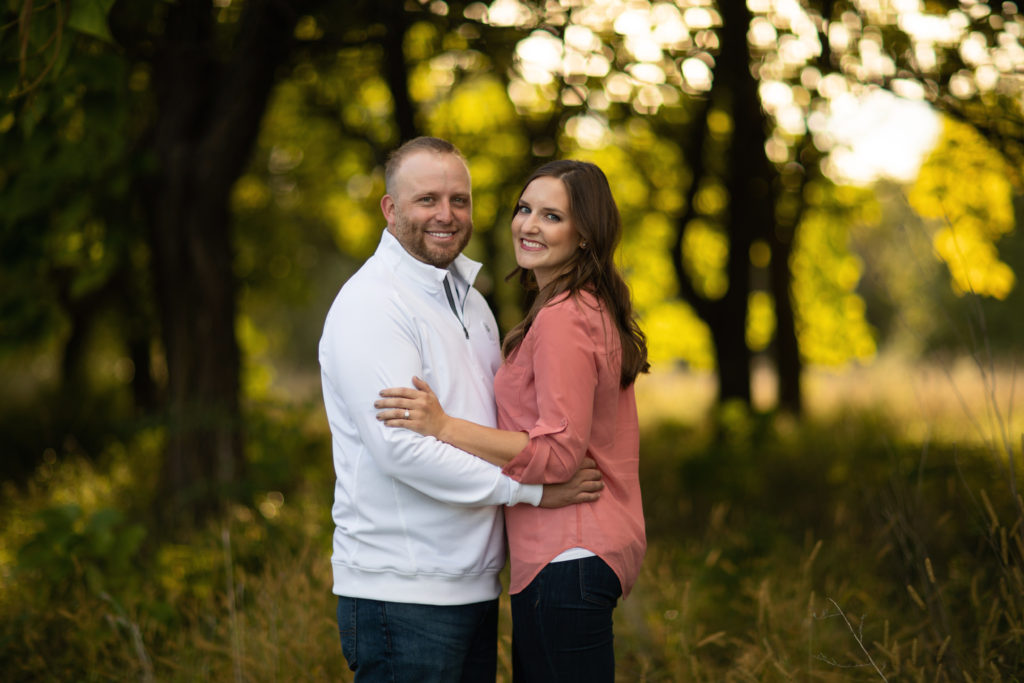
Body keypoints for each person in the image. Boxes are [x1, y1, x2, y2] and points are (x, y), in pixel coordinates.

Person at [319, 138, 603, 683]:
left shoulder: (470, 299)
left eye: (460, 200)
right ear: (390, 208)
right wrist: (532, 492)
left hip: (473, 583)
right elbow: (403, 449)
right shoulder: (372, 305)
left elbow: (490, 426)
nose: (446, 215)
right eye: (427, 199)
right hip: (403, 590)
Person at [375, 159, 649, 682]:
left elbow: (559, 454)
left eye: (552, 217)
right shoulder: (580, 308)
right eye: (525, 209)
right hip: (573, 555)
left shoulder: (565, 318)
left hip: (566, 554)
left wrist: (443, 425)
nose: (528, 225)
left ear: (586, 235)